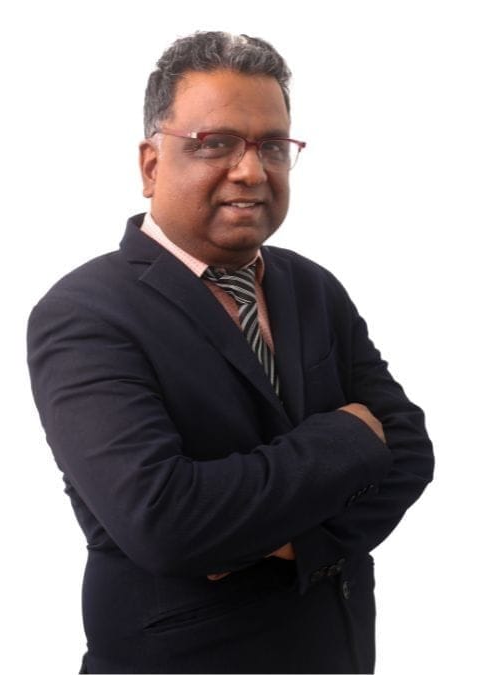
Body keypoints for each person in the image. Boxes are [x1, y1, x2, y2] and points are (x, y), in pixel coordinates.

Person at [27, 31, 434, 673]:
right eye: (215, 143)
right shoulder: (85, 313)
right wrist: (348, 438)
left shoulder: (312, 286)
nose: (251, 170)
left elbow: (409, 452)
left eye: (272, 146)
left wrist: (291, 541)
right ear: (151, 165)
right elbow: (166, 522)